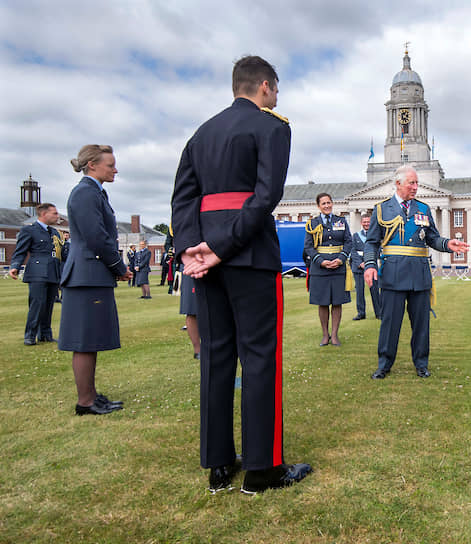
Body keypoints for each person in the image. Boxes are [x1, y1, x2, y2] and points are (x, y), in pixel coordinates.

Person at [172, 55, 311, 494]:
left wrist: (191, 251)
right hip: (248, 254)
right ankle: (261, 470)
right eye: (276, 89)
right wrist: (221, 247)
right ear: (265, 87)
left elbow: (183, 200)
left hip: (206, 258)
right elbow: (266, 196)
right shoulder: (273, 126)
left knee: (215, 358)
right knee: (258, 359)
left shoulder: (201, 133)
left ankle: (218, 466)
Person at [364, 165, 469, 379]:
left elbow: (432, 238)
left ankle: (421, 363)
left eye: (416, 183)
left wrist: (448, 244)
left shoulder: (423, 208)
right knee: (390, 324)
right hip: (393, 274)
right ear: (398, 183)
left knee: (421, 324)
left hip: (419, 275)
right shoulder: (382, 209)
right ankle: (384, 364)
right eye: (411, 183)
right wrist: (369, 265)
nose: (415, 187)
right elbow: (372, 242)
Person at [59, 145, 131, 415]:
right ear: (92, 164)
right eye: (110, 165)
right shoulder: (85, 193)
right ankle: (85, 401)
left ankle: (90, 395)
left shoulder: (94, 192)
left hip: (90, 274)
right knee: (84, 340)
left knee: (90, 340)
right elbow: (97, 237)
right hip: (86, 275)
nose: (115, 169)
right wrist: (118, 266)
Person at [9, 203, 63, 345]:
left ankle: (45, 334)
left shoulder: (55, 233)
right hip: (37, 273)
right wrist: (15, 266)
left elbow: (60, 253)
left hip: (53, 272)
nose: (57, 216)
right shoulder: (29, 230)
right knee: (37, 305)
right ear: (44, 214)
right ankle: (30, 335)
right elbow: (20, 251)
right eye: (54, 213)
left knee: (49, 305)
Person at [304, 193, 352, 346]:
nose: (327, 206)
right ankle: (325, 335)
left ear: (332, 203)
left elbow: (348, 242)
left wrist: (341, 259)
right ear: (318, 206)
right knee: (323, 302)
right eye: (323, 203)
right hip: (320, 269)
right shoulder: (312, 224)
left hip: (338, 267)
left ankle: (335, 335)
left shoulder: (341, 221)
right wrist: (321, 261)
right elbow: (308, 247)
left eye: (329, 203)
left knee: (337, 302)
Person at [350, 213, 381, 321]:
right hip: (358, 267)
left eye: (368, 222)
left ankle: (379, 312)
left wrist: (368, 262)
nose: (366, 224)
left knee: (375, 290)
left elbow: (378, 250)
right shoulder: (355, 236)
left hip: (372, 266)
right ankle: (361, 313)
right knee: (359, 291)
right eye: (364, 222)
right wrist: (360, 263)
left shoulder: (375, 235)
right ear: (361, 223)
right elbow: (352, 251)